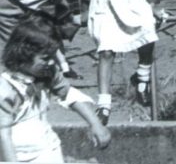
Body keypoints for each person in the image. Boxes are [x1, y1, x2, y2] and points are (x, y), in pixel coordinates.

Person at [0, 16, 110, 163]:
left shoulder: (47, 73)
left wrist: (95, 124)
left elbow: (70, 94)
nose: (51, 62)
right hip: (17, 156)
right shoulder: (6, 89)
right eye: (45, 58)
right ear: (23, 56)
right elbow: (4, 135)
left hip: (48, 149)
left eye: (53, 56)